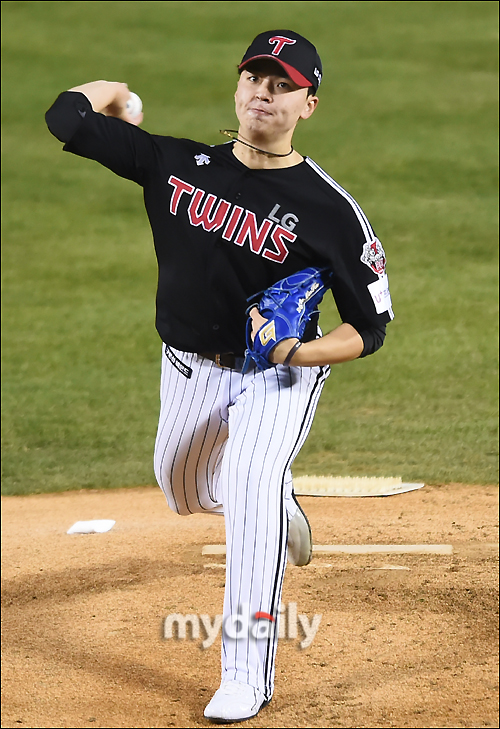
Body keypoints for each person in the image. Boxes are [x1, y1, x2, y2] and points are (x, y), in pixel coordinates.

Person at [45, 29, 393, 724]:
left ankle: (246, 673)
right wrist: (111, 90)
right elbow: (67, 118)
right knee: (184, 488)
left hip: (278, 376)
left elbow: (372, 326)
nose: (264, 92)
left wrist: (297, 355)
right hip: (188, 367)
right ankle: (280, 502)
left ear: (308, 104)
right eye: (255, 79)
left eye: (282, 84)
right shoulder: (176, 164)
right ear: (238, 88)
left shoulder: (330, 210)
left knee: (247, 482)